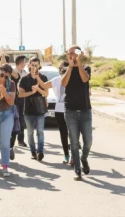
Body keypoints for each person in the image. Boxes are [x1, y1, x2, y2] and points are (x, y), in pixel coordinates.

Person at [61, 45, 92, 181]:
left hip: (85, 111)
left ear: (79, 54)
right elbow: (64, 83)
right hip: (70, 111)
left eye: (73, 53)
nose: (71, 55)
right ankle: (77, 170)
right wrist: (70, 66)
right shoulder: (65, 69)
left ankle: (84, 158)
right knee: (74, 142)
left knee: (88, 142)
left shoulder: (86, 68)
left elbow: (85, 79)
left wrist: (78, 63)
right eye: (69, 53)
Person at [36, 61, 70, 164]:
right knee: (63, 134)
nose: (60, 70)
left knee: (73, 133)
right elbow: (44, 86)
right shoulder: (56, 80)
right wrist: (37, 76)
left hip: (71, 110)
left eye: (62, 68)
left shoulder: (73, 80)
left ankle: (74, 156)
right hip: (59, 110)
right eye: (59, 68)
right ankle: (66, 155)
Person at [18, 57, 48, 161]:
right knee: (30, 132)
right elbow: (20, 95)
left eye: (36, 65)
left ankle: (40, 152)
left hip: (40, 109)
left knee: (40, 131)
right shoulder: (24, 79)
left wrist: (38, 88)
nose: (34, 67)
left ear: (39, 66)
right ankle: (33, 151)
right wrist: (31, 92)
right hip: (28, 110)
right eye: (32, 65)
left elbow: (46, 93)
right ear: (29, 65)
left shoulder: (43, 77)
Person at [9, 55, 27, 159]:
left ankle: (21, 140)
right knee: (14, 120)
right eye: (24, 61)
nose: (25, 63)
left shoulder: (25, 73)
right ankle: (11, 141)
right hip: (14, 100)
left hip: (22, 99)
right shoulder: (13, 72)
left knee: (21, 119)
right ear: (20, 62)